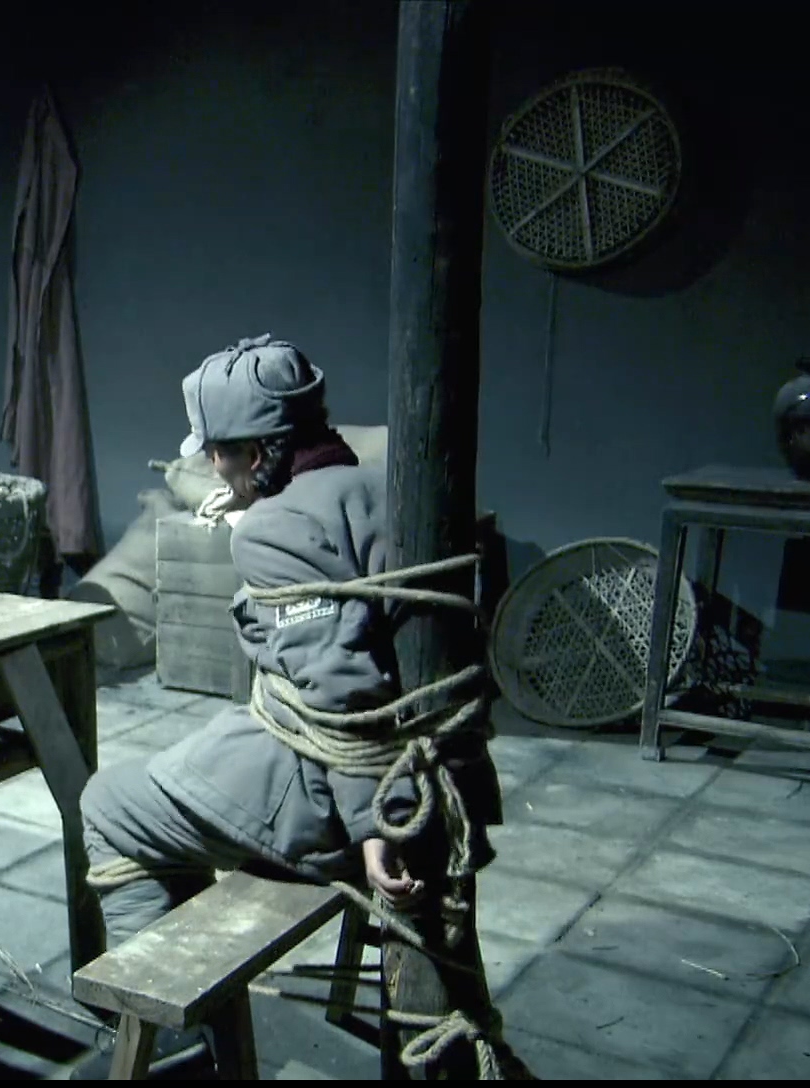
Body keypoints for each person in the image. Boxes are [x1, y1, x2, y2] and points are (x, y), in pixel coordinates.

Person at [72, 335, 500, 1078]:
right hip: (449, 775)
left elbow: (342, 695)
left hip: (349, 797)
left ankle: (171, 1043)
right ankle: (187, 1014)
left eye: (221, 453)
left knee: (109, 803)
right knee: (199, 758)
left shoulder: (276, 530)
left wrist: (378, 828)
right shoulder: (385, 492)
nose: (214, 467)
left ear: (260, 452)